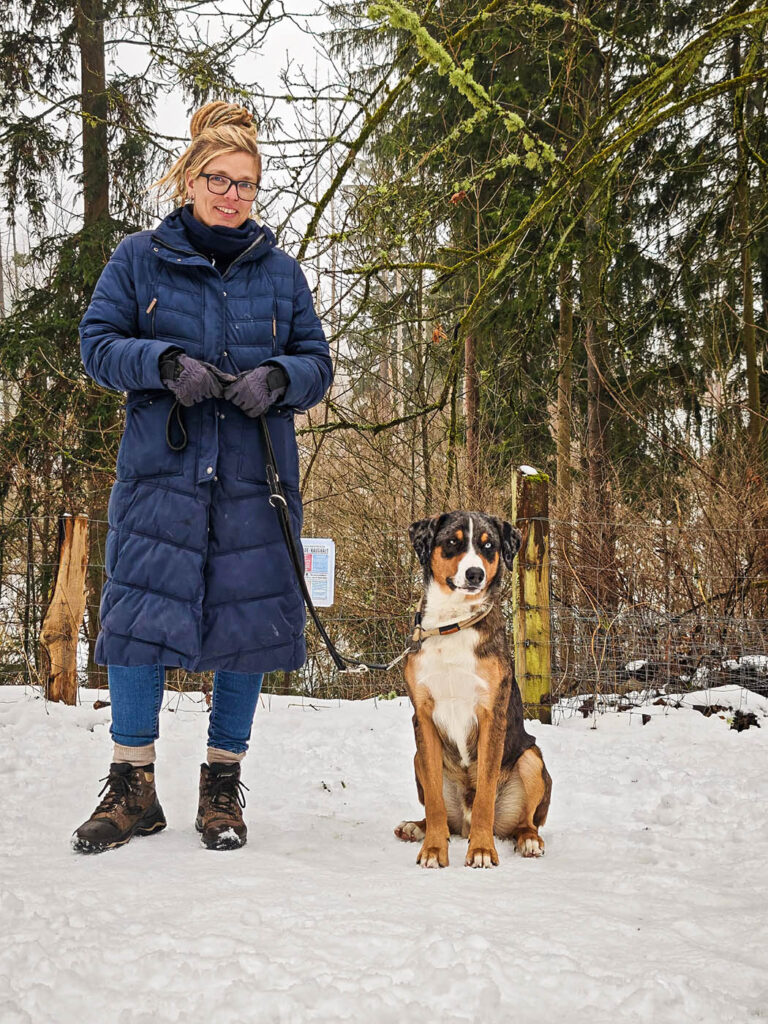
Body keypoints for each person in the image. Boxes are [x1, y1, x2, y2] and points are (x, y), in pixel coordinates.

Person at [73, 101, 333, 853]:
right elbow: (97, 345)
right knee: (138, 623)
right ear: (188, 179)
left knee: (247, 628)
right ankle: (132, 788)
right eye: (218, 179)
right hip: (163, 476)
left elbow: (319, 364)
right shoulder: (138, 260)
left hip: (255, 482)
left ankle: (222, 787)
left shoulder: (281, 274)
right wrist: (159, 363)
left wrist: (279, 380)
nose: (232, 195)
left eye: (246, 184)